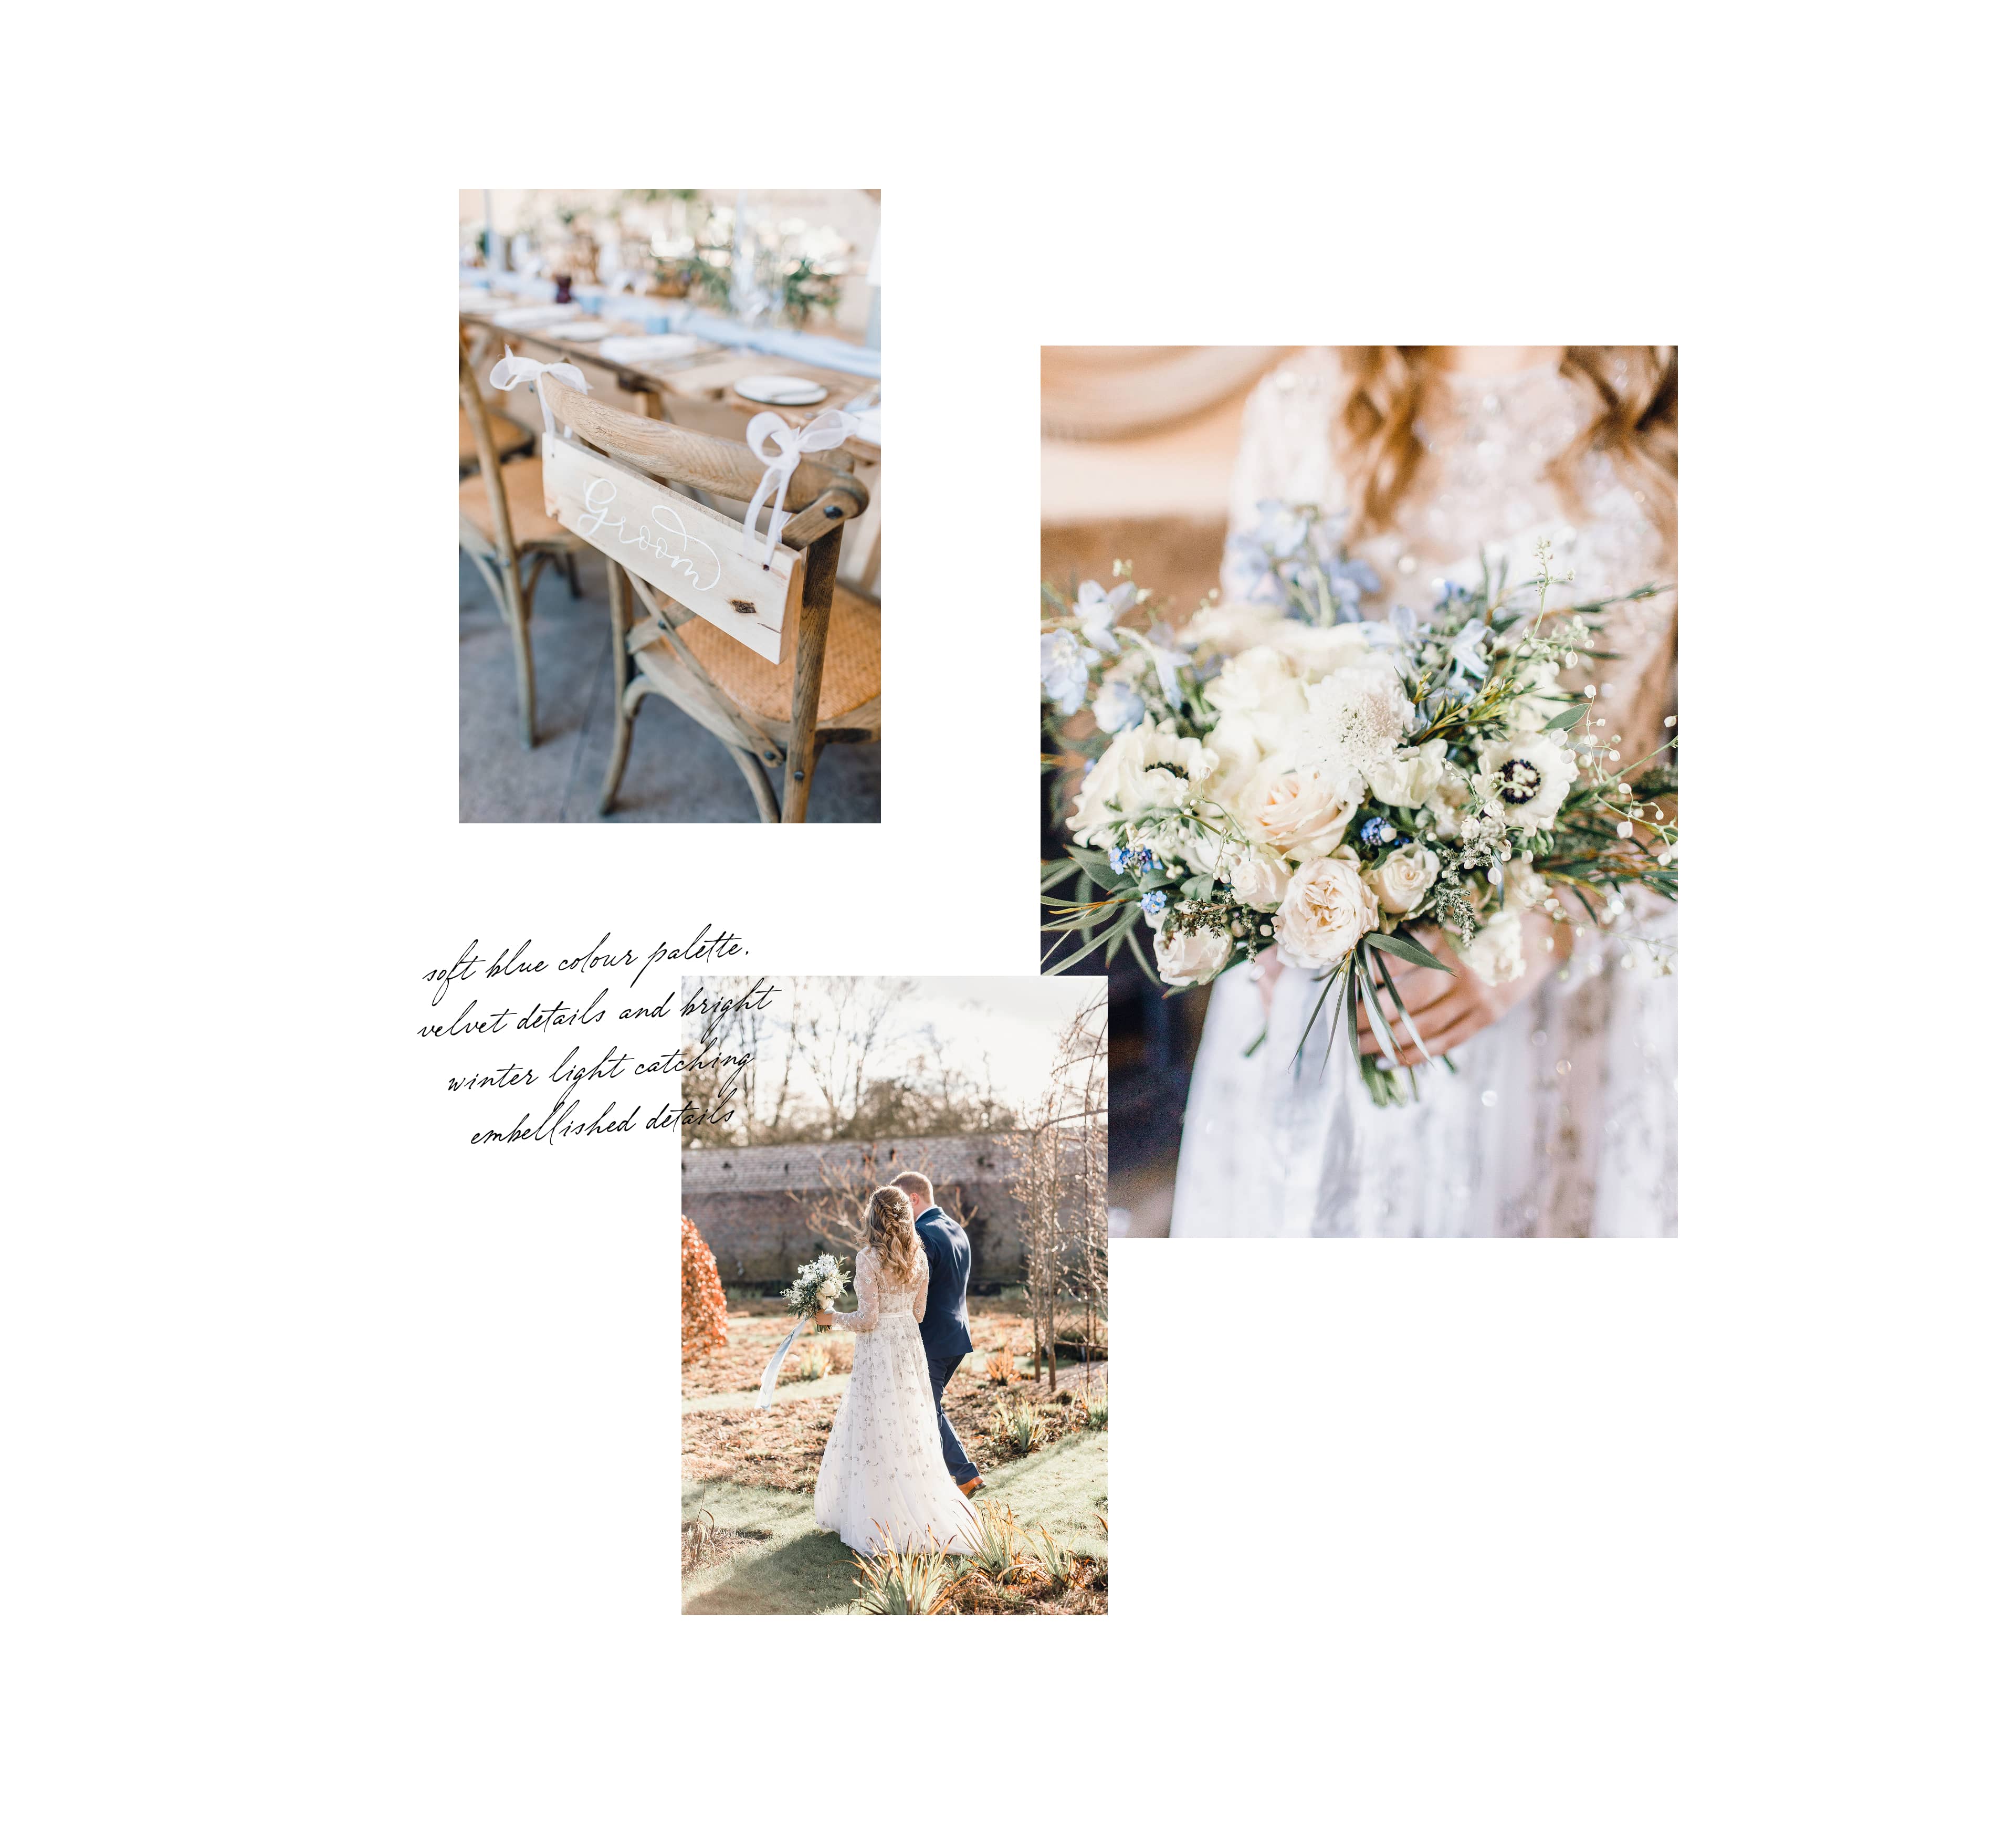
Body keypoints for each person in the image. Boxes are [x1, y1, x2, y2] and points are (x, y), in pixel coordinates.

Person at [1170, 346, 1678, 1238]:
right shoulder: (1305, 402)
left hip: (1593, 975)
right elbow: (1243, 687)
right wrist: (1256, 898)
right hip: (1335, 972)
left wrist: (1548, 922)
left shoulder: (1674, 406)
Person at [811, 1185, 981, 1554]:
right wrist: (898, 1314)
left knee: (875, 1424)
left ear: (873, 1216)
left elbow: (868, 1319)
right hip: (908, 1347)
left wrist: (832, 1318)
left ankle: (878, 1515)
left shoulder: (868, 1259)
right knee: (908, 1422)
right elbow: (919, 1314)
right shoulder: (918, 1258)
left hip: (878, 1351)